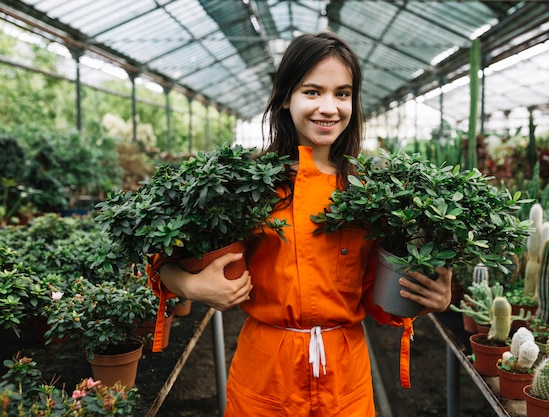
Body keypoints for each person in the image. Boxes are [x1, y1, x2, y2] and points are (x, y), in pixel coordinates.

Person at [149, 32, 452, 416]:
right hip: (265, 376)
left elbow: (380, 294)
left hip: (345, 379)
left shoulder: (373, 194)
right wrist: (191, 285)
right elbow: (163, 258)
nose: (329, 107)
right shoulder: (247, 184)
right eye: (312, 92)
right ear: (285, 99)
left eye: (342, 93)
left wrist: (430, 299)